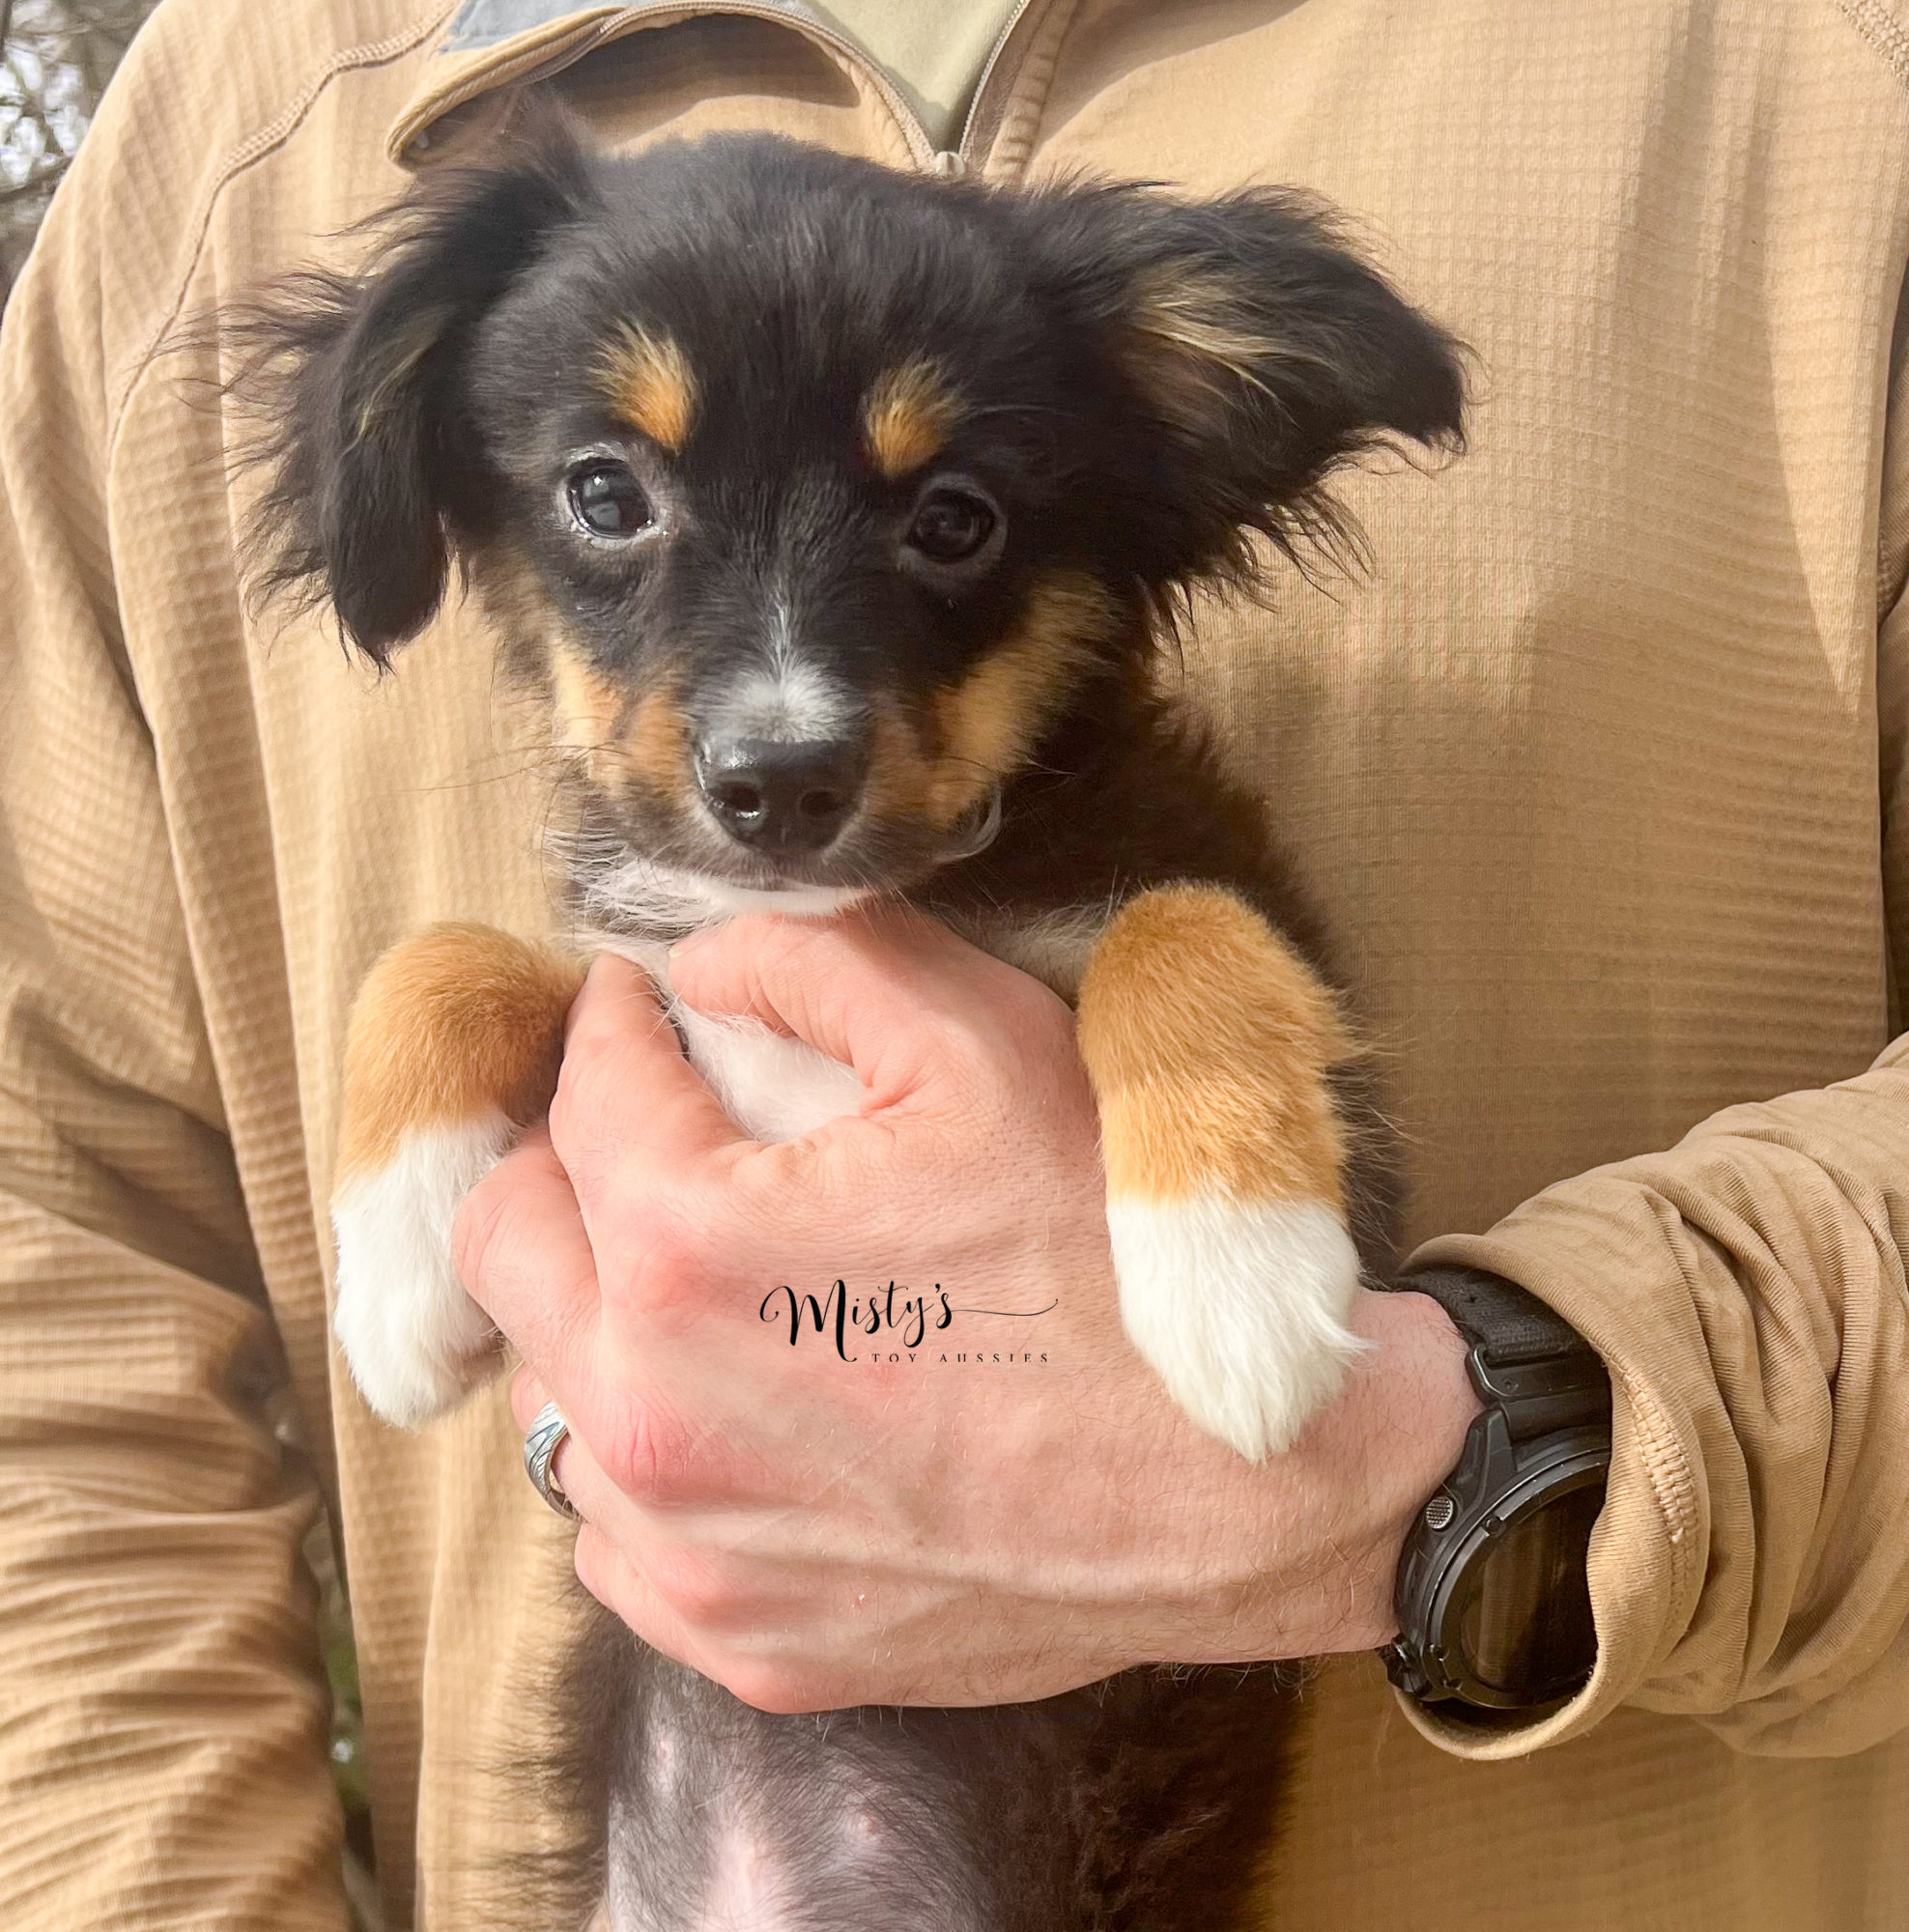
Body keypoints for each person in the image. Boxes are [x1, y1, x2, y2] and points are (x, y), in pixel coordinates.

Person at [3, 0, 1908, 1926]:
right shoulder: (238, 116)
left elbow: (1234, 1052)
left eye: (945, 524)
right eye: (610, 500)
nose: (774, 711)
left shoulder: (1813, 71)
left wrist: (1490, 1450)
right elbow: (49, 1214)